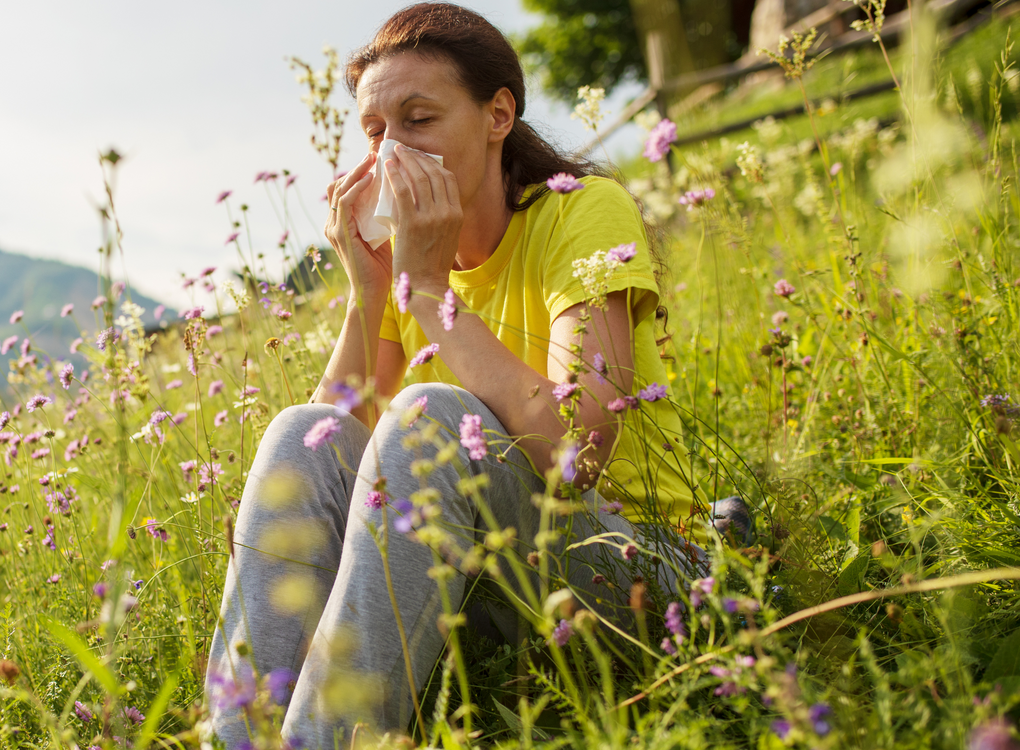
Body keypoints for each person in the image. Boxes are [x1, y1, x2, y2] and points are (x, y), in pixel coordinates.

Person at [206, 4, 737, 748]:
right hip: (486, 586)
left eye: (417, 119)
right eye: (374, 131)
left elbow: (574, 452)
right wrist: (370, 289)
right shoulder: (410, 262)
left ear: (497, 116)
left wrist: (427, 291)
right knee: (298, 430)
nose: (391, 151)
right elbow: (327, 453)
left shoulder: (581, 214)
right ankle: (238, 739)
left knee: (430, 415)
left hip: (635, 571)